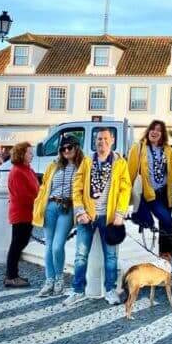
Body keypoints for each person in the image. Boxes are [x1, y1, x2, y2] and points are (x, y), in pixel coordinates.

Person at [66, 128, 131, 306]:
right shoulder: (87, 162)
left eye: (104, 139)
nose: (101, 142)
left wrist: (120, 213)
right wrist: (80, 211)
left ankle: (110, 290)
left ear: (112, 140)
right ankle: (78, 290)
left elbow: (125, 190)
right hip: (88, 215)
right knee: (80, 255)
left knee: (110, 256)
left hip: (109, 218)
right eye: (98, 139)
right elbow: (77, 187)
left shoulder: (120, 163)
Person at [33, 135, 81, 296]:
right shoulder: (54, 166)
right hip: (51, 206)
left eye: (69, 147)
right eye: (63, 148)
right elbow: (44, 186)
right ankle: (49, 280)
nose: (66, 151)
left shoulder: (82, 166)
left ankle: (59, 278)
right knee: (48, 245)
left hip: (67, 207)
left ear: (76, 148)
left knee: (57, 246)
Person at [128, 120, 172, 271]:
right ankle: (167, 255)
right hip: (149, 194)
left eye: (158, 130)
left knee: (166, 224)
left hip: (165, 192)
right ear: (148, 131)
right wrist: (125, 197)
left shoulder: (168, 150)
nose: (154, 132)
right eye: (152, 129)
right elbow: (130, 173)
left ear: (163, 134)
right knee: (167, 221)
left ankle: (166, 256)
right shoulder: (138, 148)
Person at [5, 141, 39, 288]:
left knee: (20, 243)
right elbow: (23, 195)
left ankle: (13, 274)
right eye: (29, 152)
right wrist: (38, 205)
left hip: (27, 213)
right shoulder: (17, 171)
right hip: (21, 213)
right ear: (22, 154)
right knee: (17, 245)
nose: (32, 155)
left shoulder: (27, 169)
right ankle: (11, 276)